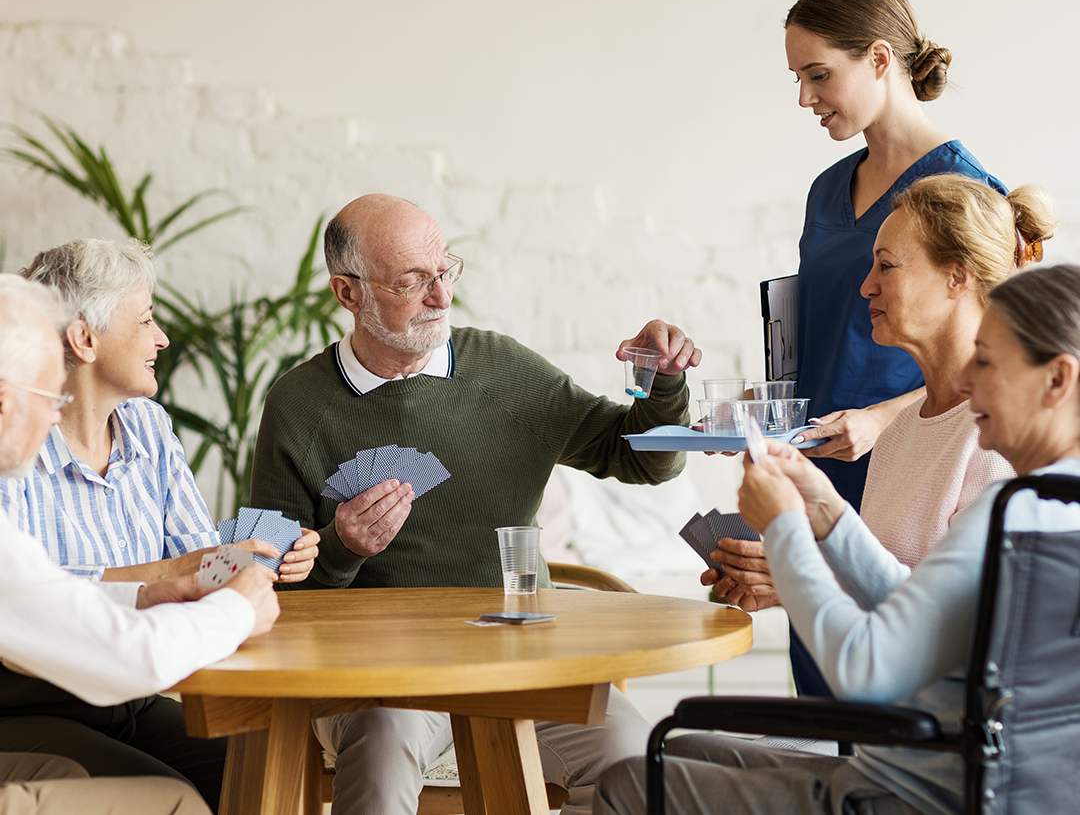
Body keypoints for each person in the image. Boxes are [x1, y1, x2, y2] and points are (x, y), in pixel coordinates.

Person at [249, 193, 701, 815]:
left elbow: (644, 461)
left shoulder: (502, 370)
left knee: (640, 759)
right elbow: (267, 589)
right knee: (386, 740)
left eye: (444, 271)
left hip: (521, 657)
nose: (440, 296)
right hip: (377, 678)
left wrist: (663, 380)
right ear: (348, 294)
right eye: (412, 282)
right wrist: (342, 549)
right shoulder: (296, 405)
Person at [594, 262, 1080, 815]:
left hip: (906, 793)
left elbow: (864, 667)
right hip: (985, 787)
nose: (968, 382)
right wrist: (827, 514)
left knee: (630, 781)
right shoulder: (1051, 510)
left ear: (1058, 380)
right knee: (685, 749)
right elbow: (925, 607)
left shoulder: (1008, 510)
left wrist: (785, 531)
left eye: (987, 362)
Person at [0, 239, 318, 811]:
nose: (163, 337)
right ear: (85, 338)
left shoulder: (147, 426)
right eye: (146, 319)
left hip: (135, 693)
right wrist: (222, 599)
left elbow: (195, 562)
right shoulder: (14, 456)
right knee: (177, 799)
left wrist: (252, 558)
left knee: (267, 768)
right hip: (31, 702)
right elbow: (48, 606)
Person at [781, 0, 1005, 695]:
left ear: (880, 59)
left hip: (906, 472)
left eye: (820, 75)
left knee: (895, 696)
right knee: (824, 708)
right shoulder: (826, 189)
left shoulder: (965, 193)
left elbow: (988, 359)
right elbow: (819, 324)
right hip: (817, 464)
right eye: (798, 77)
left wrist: (881, 419)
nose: (805, 98)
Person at [710, 174, 1055, 615]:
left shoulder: (1001, 436)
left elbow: (959, 617)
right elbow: (884, 598)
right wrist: (788, 583)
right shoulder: (899, 430)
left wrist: (801, 568)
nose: (867, 286)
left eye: (886, 266)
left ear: (958, 276)